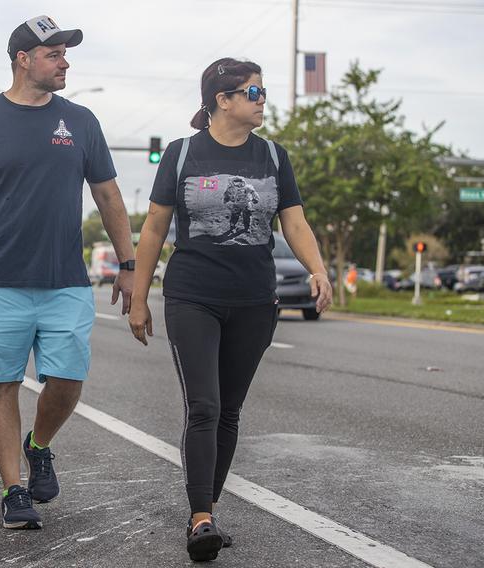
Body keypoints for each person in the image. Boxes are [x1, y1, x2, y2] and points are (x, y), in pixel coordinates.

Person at [128, 58, 333, 562]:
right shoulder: (181, 155)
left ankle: (211, 509)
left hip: (254, 300)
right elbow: (155, 228)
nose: (263, 99)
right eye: (254, 91)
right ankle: (200, 518)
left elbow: (294, 222)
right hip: (192, 294)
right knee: (205, 406)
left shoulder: (272, 155)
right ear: (223, 100)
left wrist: (319, 269)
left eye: (262, 91)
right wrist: (138, 295)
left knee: (230, 411)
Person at [0, 15, 135, 530]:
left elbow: (108, 195)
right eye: (55, 53)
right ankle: (12, 489)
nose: (65, 61)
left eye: (66, 53)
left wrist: (130, 265)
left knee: (68, 379)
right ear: (23, 59)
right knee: (1, 383)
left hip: (65, 278)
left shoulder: (82, 121)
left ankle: (39, 445)